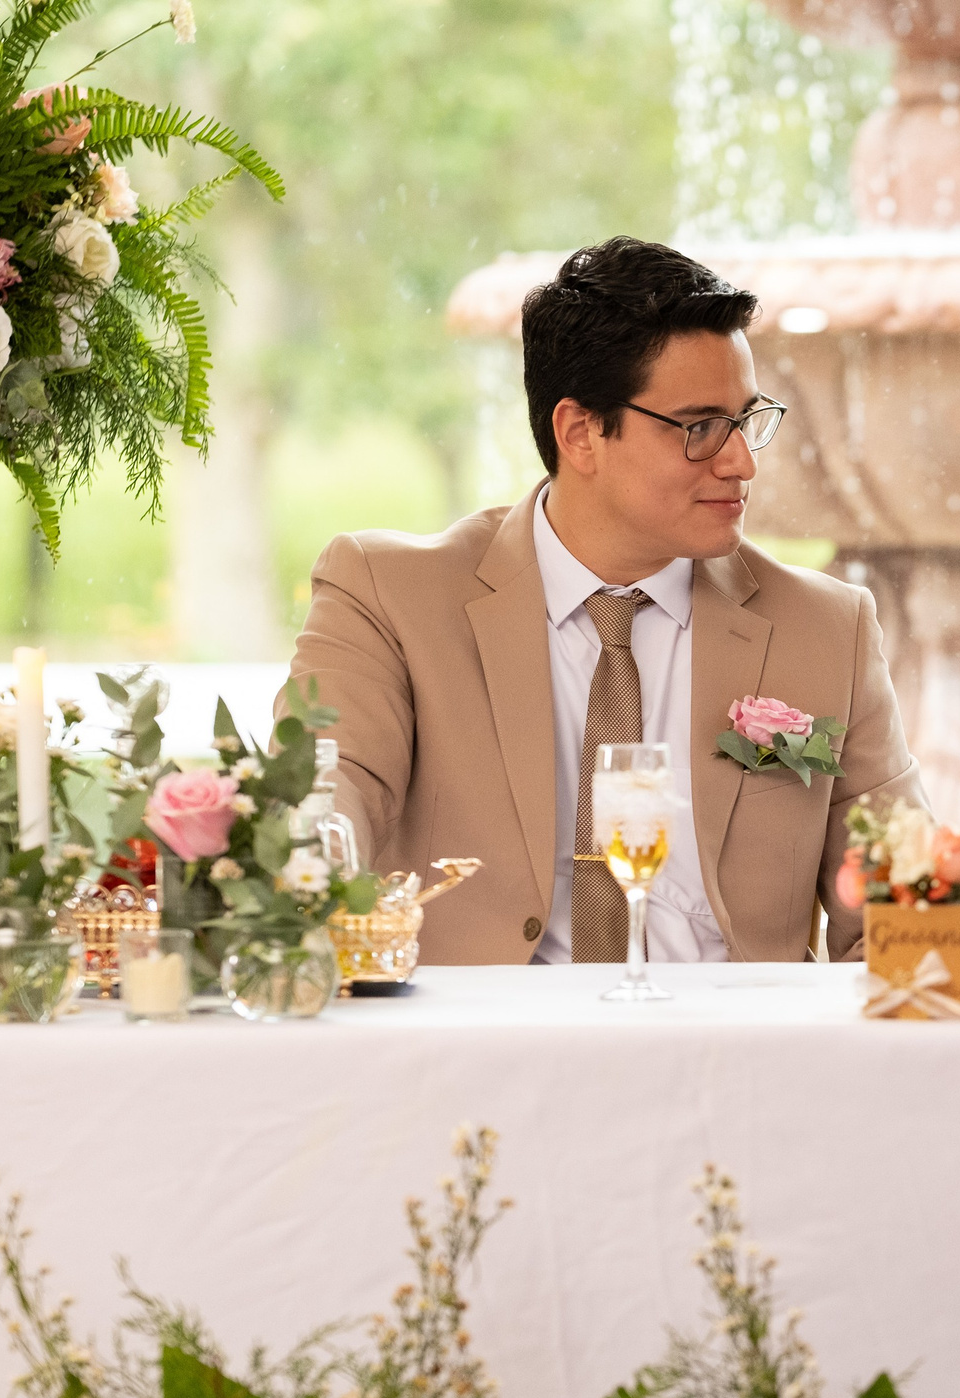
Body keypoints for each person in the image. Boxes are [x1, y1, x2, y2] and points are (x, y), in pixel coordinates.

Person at [281, 236, 921, 964]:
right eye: (700, 427)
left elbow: (904, 911)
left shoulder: (827, 628)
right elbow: (322, 791)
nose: (741, 461)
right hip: (479, 1059)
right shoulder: (387, 595)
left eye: (745, 421)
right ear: (580, 433)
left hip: (736, 1059)